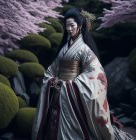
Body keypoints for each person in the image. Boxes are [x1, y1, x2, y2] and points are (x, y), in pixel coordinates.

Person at [32, 7, 135, 140]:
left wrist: (70, 85)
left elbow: (95, 73)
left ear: (80, 26)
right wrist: (51, 80)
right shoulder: (64, 47)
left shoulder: (84, 49)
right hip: (59, 90)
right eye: (66, 26)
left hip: (71, 93)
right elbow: (53, 68)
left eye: (72, 25)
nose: (69, 29)